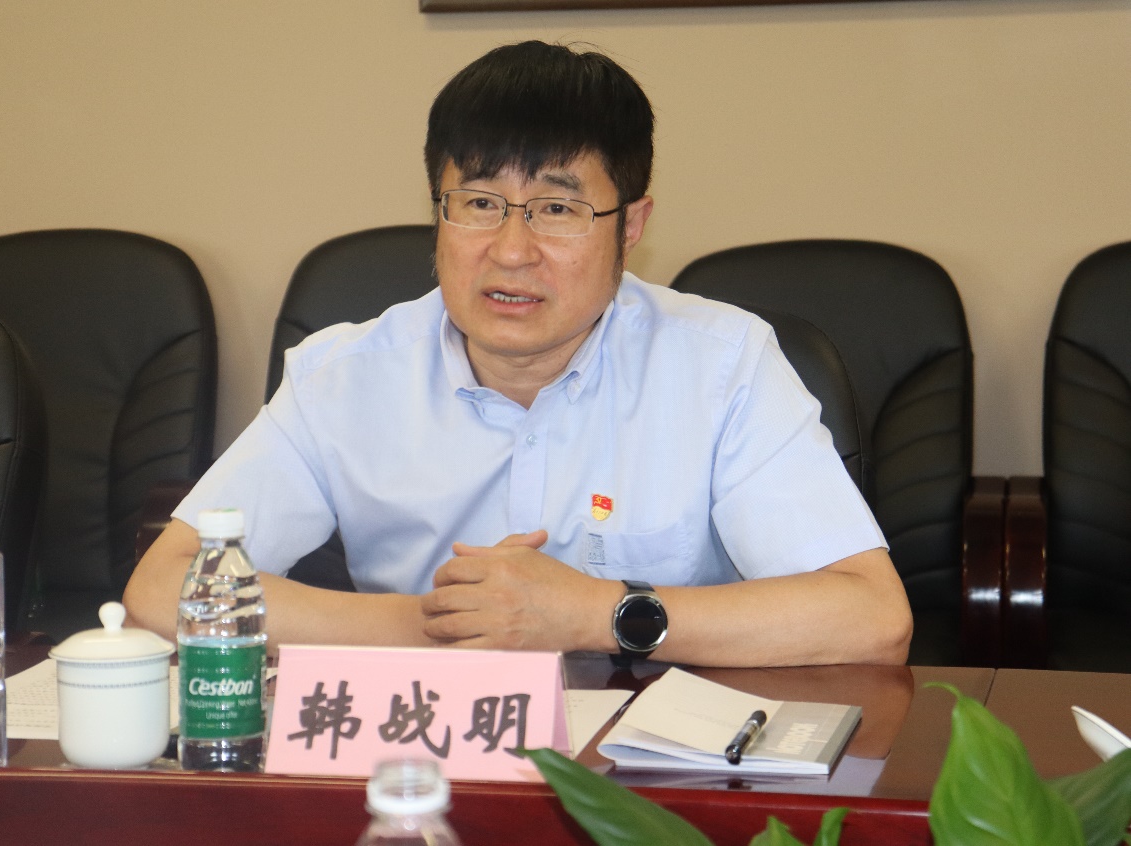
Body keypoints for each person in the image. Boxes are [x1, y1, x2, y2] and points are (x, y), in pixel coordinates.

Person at [124, 40, 912, 667]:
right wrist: (444, 623)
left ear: (630, 227)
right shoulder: (343, 376)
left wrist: (596, 614)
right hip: (421, 749)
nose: (509, 251)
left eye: (557, 209)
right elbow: (163, 589)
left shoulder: (721, 365)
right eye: (477, 203)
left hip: (648, 771)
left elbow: (870, 617)